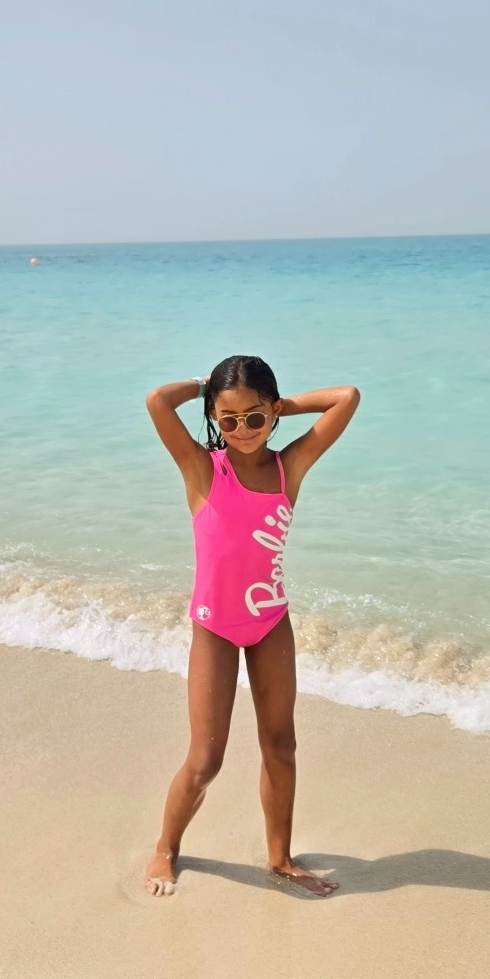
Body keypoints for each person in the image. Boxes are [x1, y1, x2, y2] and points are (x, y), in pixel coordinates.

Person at [143, 355, 360, 898]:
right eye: (229, 419)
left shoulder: (290, 468)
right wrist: (205, 387)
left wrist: (282, 404)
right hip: (215, 628)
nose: (242, 430)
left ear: (274, 413)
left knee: (281, 746)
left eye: (255, 417)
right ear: (214, 418)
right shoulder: (202, 469)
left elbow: (346, 397)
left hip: (270, 623)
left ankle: (281, 859)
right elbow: (157, 401)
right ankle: (165, 848)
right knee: (205, 760)